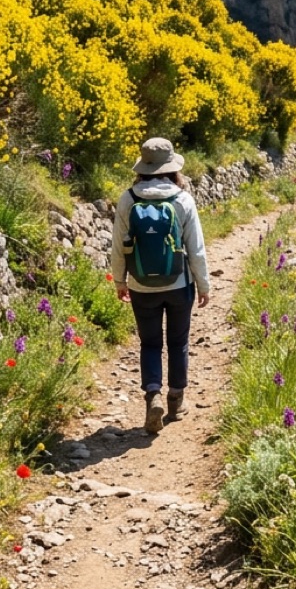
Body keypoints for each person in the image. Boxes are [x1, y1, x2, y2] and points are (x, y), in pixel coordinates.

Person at [111, 137, 210, 434]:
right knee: (178, 342)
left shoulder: (128, 198)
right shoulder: (182, 199)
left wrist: (120, 280)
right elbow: (196, 249)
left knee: (150, 343)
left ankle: (152, 394)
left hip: (141, 285)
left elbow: (118, 246)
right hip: (179, 284)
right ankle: (176, 400)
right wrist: (203, 285)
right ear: (172, 168)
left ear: (142, 167)